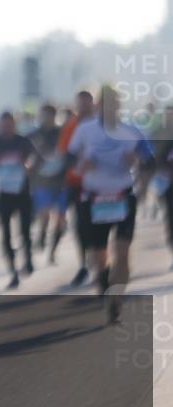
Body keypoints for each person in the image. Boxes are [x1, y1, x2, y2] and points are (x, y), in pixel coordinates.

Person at [67, 85, 154, 323]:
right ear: (98, 106)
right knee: (97, 256)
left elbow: (149, 161)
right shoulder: (84, 130)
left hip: (123, 196)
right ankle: (104, 280)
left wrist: (136, 162)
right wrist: (81, 165)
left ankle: (115, 299)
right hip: (93, 197)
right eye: (105, 104)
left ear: (119, 106)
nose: (110, 108)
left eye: (114, 104)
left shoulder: (131, 131)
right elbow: (70, 158)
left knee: (123, 253)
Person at [0, 111, 40, 289]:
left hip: (22, 192)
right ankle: (13, 271)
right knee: (5, 236)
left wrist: (29, 165)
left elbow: (34, 157)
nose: (6, 128)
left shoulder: (22, 141)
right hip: (3, 194)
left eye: (9, 125)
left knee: (25, 231)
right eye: (3, 125)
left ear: (14, 125)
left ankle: (28, 258)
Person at [58, 91, 96, 286]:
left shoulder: (103, 123)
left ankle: (99, 260)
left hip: (99, 184)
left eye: (87, 104)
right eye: (81, 104)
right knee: (80, 224)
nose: (84, 107)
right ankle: (84, 264)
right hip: (76, 183)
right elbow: (64, 154)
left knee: (96, 223)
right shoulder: (70, 126)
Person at [28, 103, 67, 261]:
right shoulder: (34, 135)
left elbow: (69, 152)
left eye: (47, 115)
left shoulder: (62, 133)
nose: (43, 118)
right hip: (42, 181)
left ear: (53, 116)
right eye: (41, 115)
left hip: (61, 182)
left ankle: (53, 250)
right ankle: (42, 234)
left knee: (61, 220)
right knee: (44, 215)